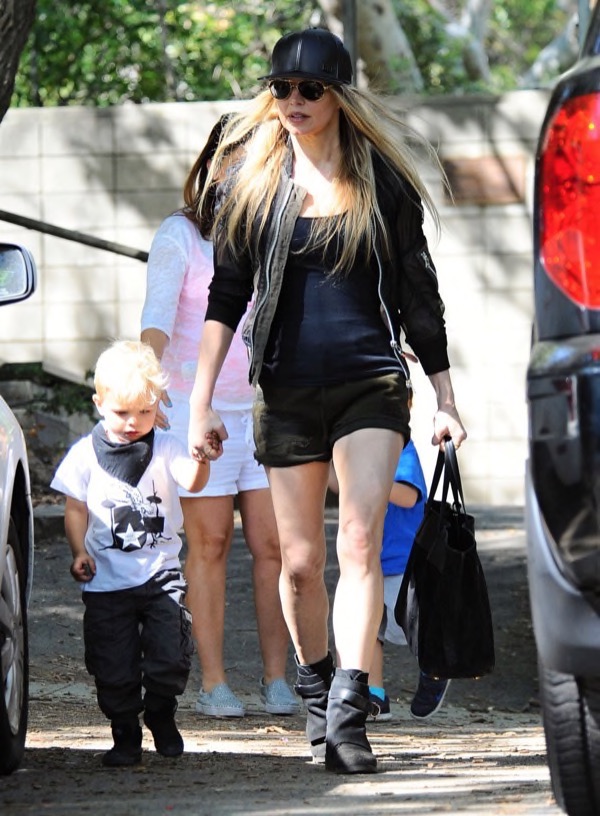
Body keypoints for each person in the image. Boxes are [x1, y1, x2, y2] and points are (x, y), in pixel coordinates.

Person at [188, 27, 467, 775]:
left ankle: (350, 707)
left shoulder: (382, 183)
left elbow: (418, 295)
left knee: (359, 544)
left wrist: (444, 397)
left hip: (370, 383)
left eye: (310, 88)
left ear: (339, 96)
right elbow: (225, 298)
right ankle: (317, 692)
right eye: (282, 88)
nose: (294, 100)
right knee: (301, 564)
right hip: (284, 390)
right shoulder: (252, 187)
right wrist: (199, 403)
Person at [140, 117, 299, 718]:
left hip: (263, 412)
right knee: (209, 545)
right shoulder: (180, 235)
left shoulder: (276, 230)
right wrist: (147, 382)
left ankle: (278, 678)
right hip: (194, 413)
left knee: (274, 546)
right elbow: (156, 318)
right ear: (213, 163)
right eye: (236, 157)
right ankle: (212, 683)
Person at [50, 340, 210, 767]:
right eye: (121, 412)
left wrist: (202, 457)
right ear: (99, 403)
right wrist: (78, 551)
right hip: (106, 580)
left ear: (156, 406)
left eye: (144, 411)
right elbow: (75, 509)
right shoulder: (84, 455)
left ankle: (160, 711)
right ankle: (125, 733)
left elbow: (192, 481)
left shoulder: (167, 446)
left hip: (161, 574)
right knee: (112, 664)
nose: (133, 423)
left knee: (170, 653)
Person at [329, 387, 450, 723]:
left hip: (401, 561)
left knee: (411, 624)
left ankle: (435, 667)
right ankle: (375, 695)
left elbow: (408, 496)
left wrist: (366, 483)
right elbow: (339, 485)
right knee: (370, 630)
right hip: (369, 561)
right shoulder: (358, 451)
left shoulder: (402, 449)